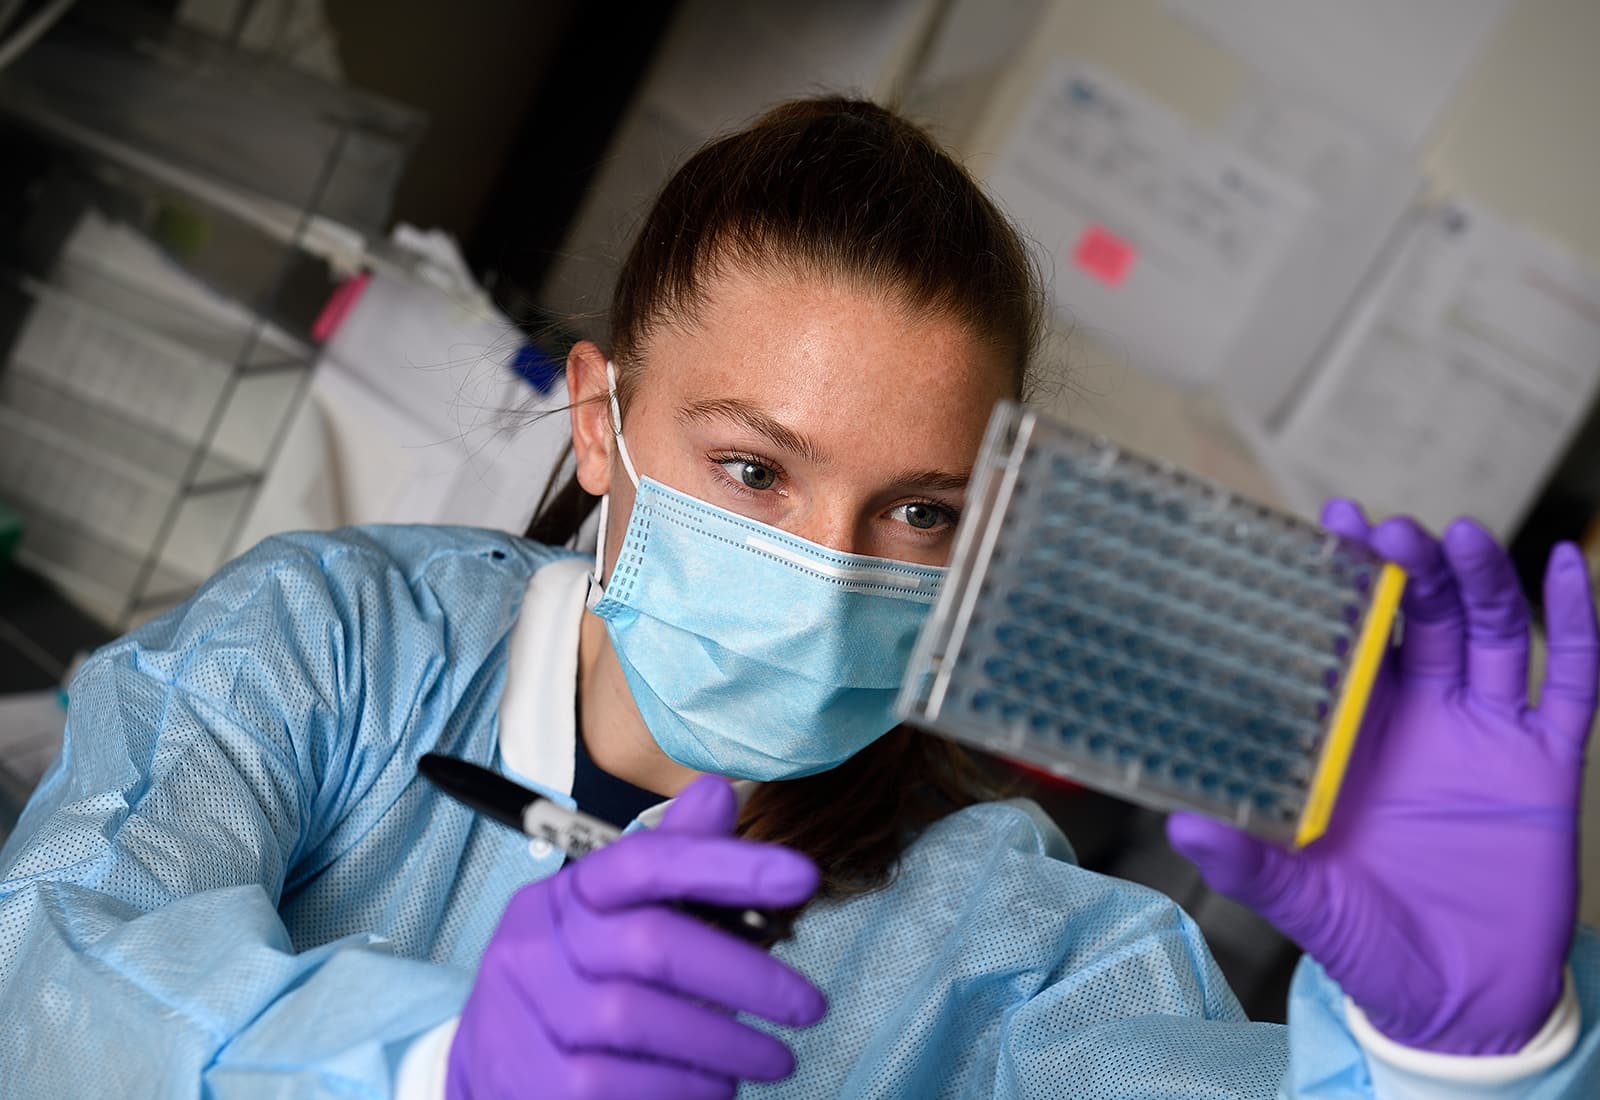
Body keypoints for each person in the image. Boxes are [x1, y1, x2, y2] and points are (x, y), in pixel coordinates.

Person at [1, 97, 1596, 1100]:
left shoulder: (1003, 939)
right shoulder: (326, 650)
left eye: (917, 511)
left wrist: (1464, 1061)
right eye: (756, 471)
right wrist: (429, 1072)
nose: (830, 569)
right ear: (597, 417)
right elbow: (51, 966)